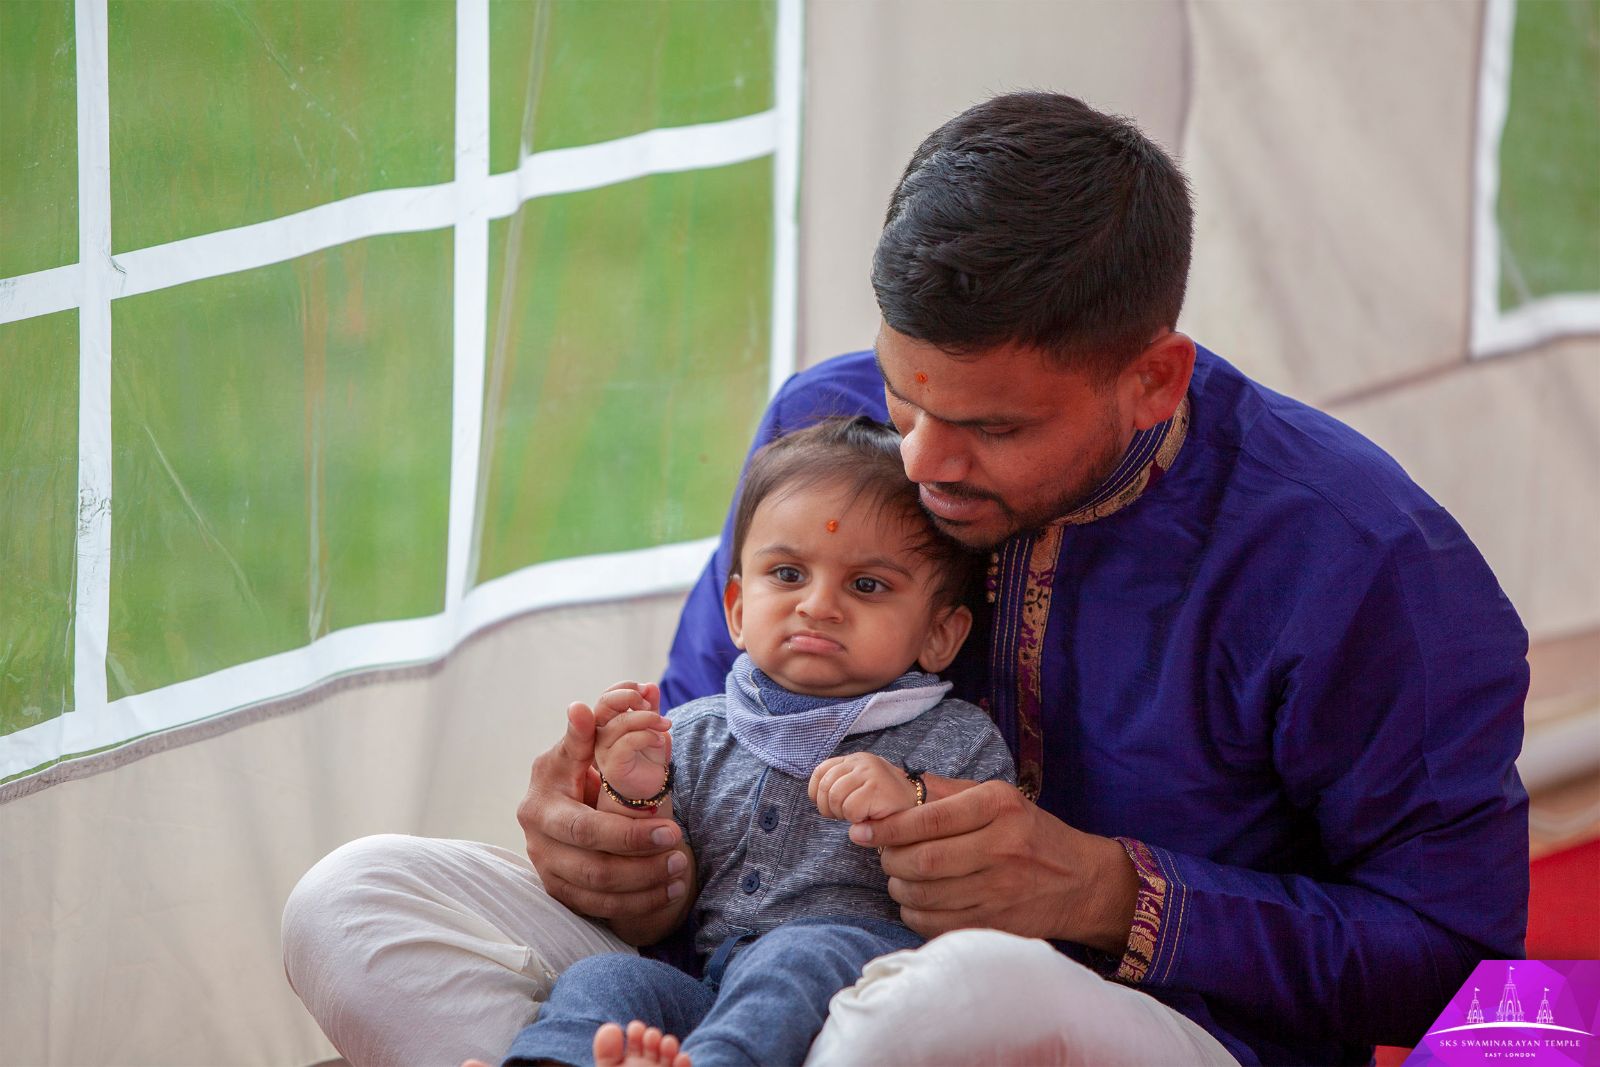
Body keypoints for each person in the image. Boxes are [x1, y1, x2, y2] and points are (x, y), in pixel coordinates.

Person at [283, 91, 1529, 1067]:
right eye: (903, 394)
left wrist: (1109, 890)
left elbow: (1461, 962)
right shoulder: (825, 426)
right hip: (736, 983)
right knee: (353, 902)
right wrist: (624, 846)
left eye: (992, 425)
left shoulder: (1357, 558)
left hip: (1120, 1022)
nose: (922, 461)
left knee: (950, 998)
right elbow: (709, 720)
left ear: (1152, 379)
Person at [495, 416, 1017, 1067]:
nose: (818, 605)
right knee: (604, 978)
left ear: (939, 634)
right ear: (739, 611)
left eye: (867, 585)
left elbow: (991, 902)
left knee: (793, 955)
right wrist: (636, 800)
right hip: (712, 991)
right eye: (789, 574)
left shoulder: (956, 737)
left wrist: (912, 800)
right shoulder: (696, 732)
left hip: (864, 1004)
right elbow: (652, 920)